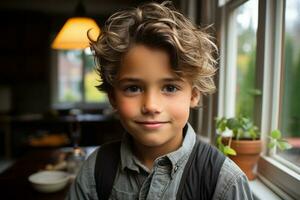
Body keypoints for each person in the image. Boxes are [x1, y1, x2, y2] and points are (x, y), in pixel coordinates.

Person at [66, 1, 253, 200]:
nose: (151, 106)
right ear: (113, 96)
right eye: (133, 88)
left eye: (170, 88)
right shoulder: (94, 171)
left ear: (194, 94)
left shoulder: (223, 182)